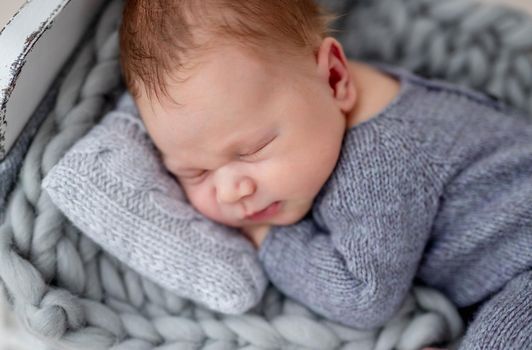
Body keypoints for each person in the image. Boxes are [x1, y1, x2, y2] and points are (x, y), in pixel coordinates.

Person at [119, 0, 532, 348]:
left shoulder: (378, 166)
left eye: (253, 149)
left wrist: (271, 239)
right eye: (195, 172)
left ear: (335, 78)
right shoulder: (320, 102)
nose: (231, 191)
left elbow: (363, 296)